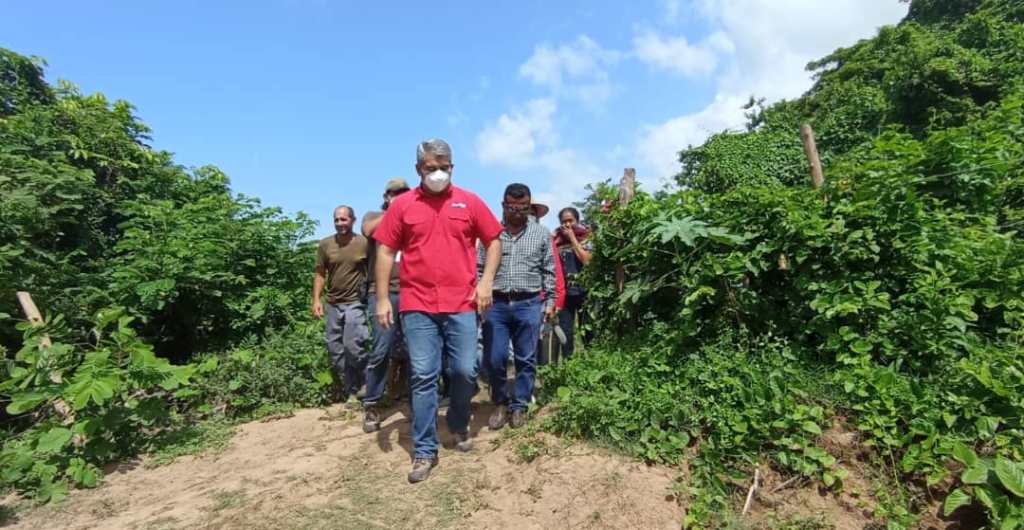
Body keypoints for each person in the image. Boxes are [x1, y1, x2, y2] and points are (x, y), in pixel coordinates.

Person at [372, 138, 503, 484]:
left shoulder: (469, 201)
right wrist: (383, 298)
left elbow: (493, 240)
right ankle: (425, 449)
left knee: (464, 370)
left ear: (453, 167)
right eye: (431, 168)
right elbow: (385, 251)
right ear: (419, 169)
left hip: (462, 303)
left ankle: (458, 422)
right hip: (418, 305)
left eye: (444, 167)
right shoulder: (403, 206)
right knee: (423, 375)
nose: (438, 174)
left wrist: (486, 282)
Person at [480, 184, 556, 430]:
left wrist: (550, 301)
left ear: (529, 206)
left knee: (526, 357)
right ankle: (500, 402)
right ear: (503, 206)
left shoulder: (541, 234)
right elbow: (479, 267)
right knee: (495, 357)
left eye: (522, 207)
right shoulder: (491, 233)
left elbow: (549, 269)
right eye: (512, 207)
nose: (517, 211)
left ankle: (520, 404)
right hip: (496, 303)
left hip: (528, 303)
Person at [360, 178, 410, 433]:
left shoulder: (413, 216)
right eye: (395, 193)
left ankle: (413, 401)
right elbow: (368, 229)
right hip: (382, 294)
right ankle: (372, 403)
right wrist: (396, 209)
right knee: (381, 349)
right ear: (386, 196)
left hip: (412, 292)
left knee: (415, 350)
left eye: (404, 193)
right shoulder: (374, 216)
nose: (399, 196)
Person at [312, 205, 369, 403]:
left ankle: (368, 382)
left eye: (343, 219)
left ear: (353, 220)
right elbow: (320, 273)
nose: (339, 223)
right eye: (336, 220)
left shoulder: (363, 243)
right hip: (333, 304)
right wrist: (316, 299)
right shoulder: (326, 244)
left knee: (353, 345)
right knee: (335, 349)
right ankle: (352, 391)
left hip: (355, 302)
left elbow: (374, 269)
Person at [554, 207, 592, 360]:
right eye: (564, 222)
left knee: (588, 331)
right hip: (565, 294)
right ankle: (568, 365)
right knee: (566, 332)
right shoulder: (556, 241)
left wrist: (573, 239)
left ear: (577, 220)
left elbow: (587, 260)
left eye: (571, 220)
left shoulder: (586, 238)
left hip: (585, 292)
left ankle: (591, 362)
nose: (567, 224)